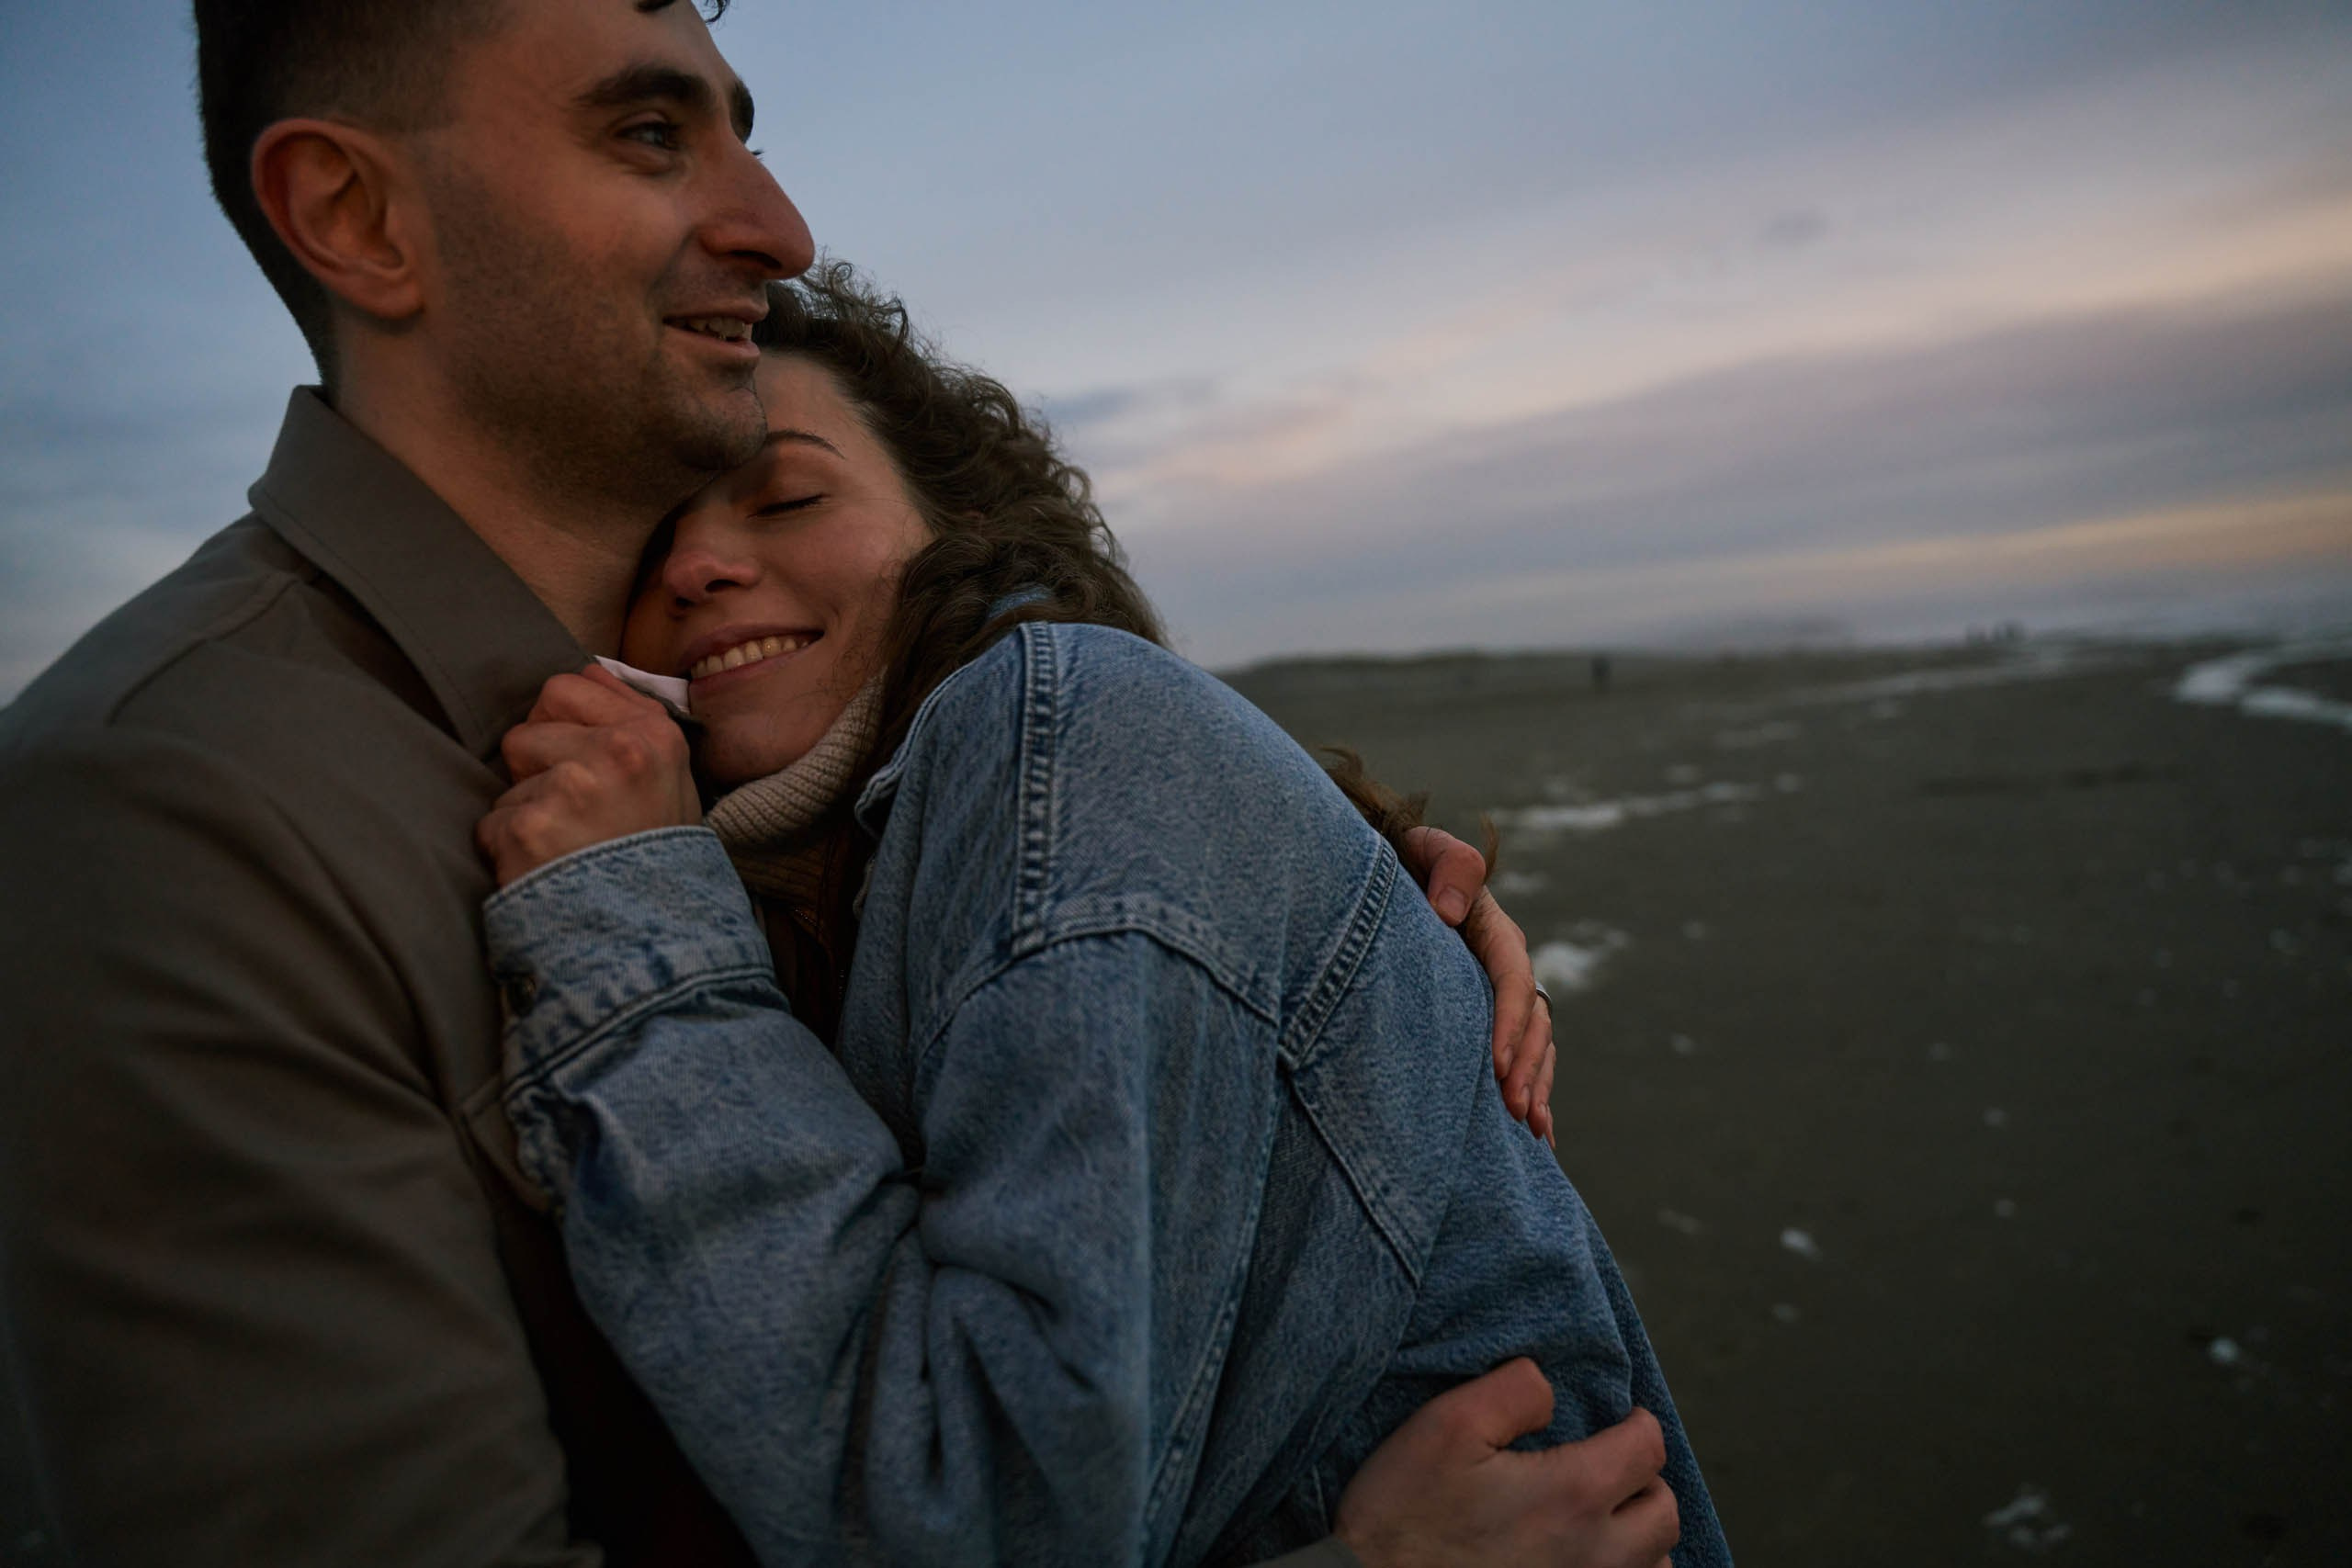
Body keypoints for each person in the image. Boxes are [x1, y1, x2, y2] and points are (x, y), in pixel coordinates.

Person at [0, 3, 1663, 1564]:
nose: (779, 225)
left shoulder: (787, 802)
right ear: (357, 216)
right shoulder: (168, 806)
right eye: (648, 132)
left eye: (743, 130)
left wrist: (1333, 909)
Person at [472, 263, 1729, 1565]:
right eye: (652, 540)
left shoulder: (1053, 725)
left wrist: (634, 941)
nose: (698, 565)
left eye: (786, 495)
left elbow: (987, 1517)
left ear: (960, 527)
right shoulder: (858, 899)